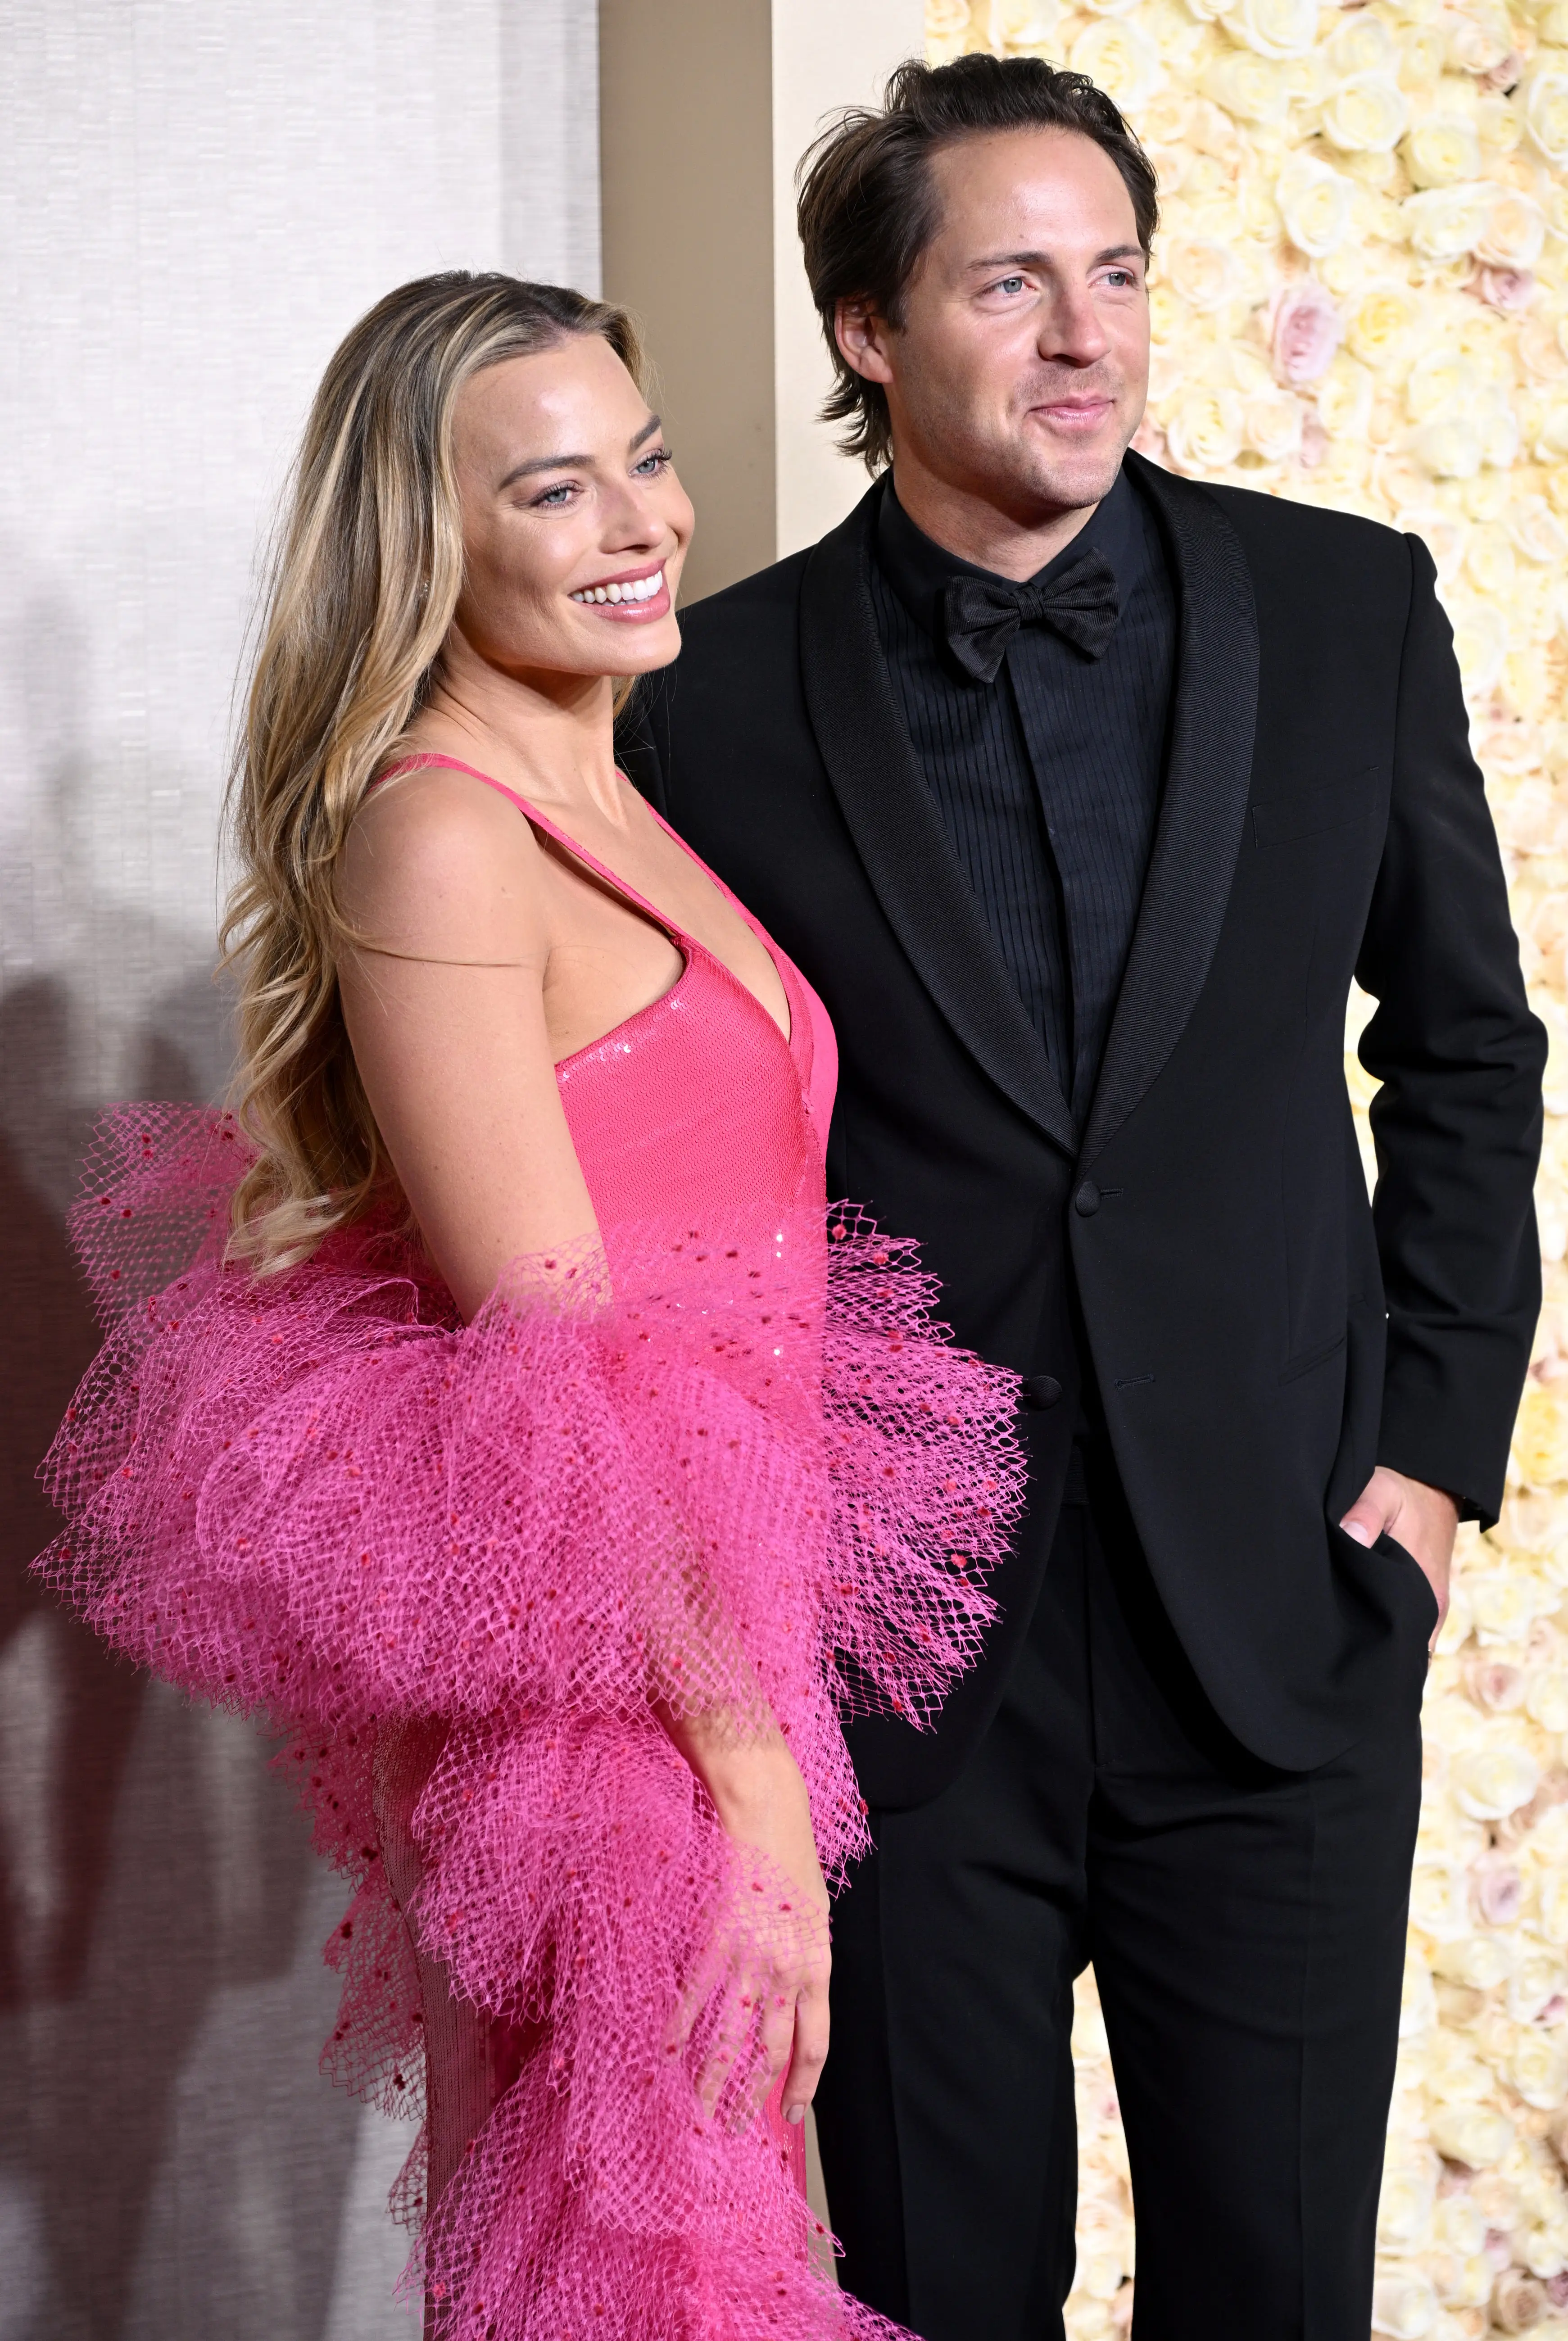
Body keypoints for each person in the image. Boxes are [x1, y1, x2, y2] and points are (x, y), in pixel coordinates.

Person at [618, 53, 1547, 2341]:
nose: (1086, 335)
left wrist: (1429, 1463)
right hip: (907, 1654)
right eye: (1010, 282)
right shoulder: (703, 704)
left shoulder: (1349, 612)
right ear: (867, 331)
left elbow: (1463, 1048)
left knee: (1276, 2296)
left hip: (1289, 1623)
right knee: (940, 2294)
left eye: (1116, 272)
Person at [36, 272, 1024, 2341]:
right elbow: (557, 1362)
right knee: (649, 2279)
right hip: (608, 1712)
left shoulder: (615, 794)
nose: (641, 523)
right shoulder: (442, 841)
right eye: (558, 492)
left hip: (701, 1660)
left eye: (643, 462)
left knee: (702, 2247)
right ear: (434, 541)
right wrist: (750, 1779)